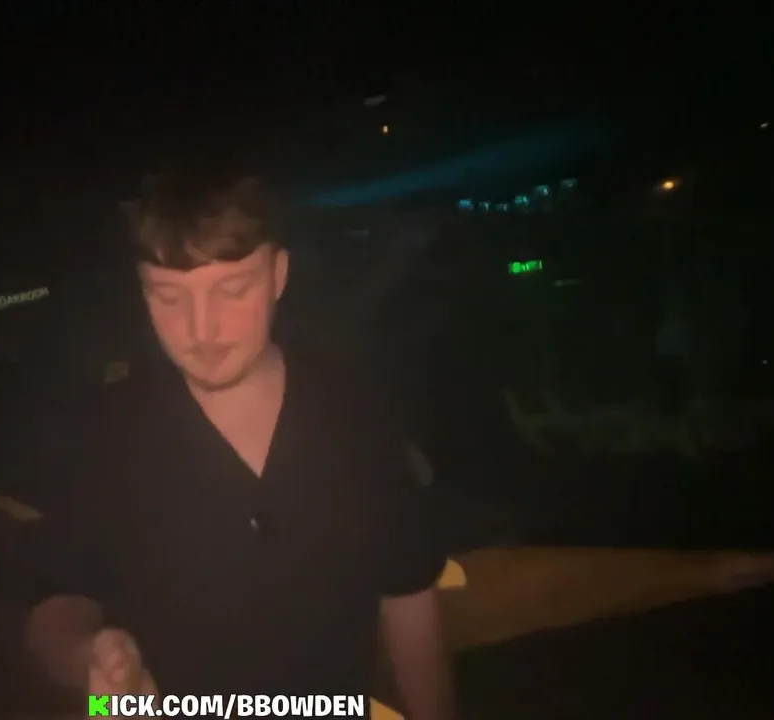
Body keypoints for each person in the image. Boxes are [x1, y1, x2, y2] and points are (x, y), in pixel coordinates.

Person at [23, 169, 454, 719]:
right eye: (167, 296)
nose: (201, 329)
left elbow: (409, 593)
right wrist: (89, 662)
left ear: (278, 275)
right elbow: (52, 603)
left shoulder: (360, 416)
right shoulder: (102, 434)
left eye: (232, 289)